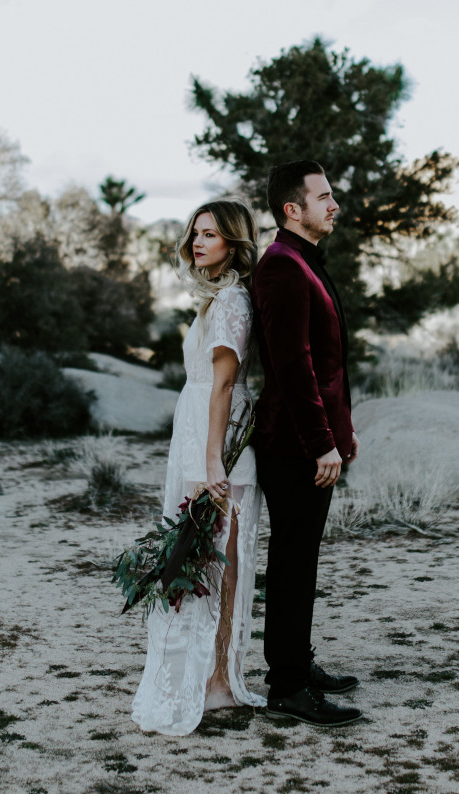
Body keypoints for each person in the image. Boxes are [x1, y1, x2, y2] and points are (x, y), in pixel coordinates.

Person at [131, 199, 264, 735]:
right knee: (202, 560)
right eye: (195, 234)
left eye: (210, 234)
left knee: (216, 563)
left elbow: (225, 384)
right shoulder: (215, 300)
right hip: (198, 437)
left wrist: (212, 461)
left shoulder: (233, 300)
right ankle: (208, 680)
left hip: (217, 444)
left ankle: (217, 684)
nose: (197, 242)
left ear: (234, 242)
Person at [250, 161, 363, 727]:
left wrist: (343, 432)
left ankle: (297, 665)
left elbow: (325, 365)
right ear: (292, 209)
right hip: (293, 446)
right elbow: (292, 368)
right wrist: (323, 444)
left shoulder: (303, 262)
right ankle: (287, 688)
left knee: (301, 561)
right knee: (293, 563)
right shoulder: (281, 268)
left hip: (313, 440)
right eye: (323, 196)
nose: (333, 204)